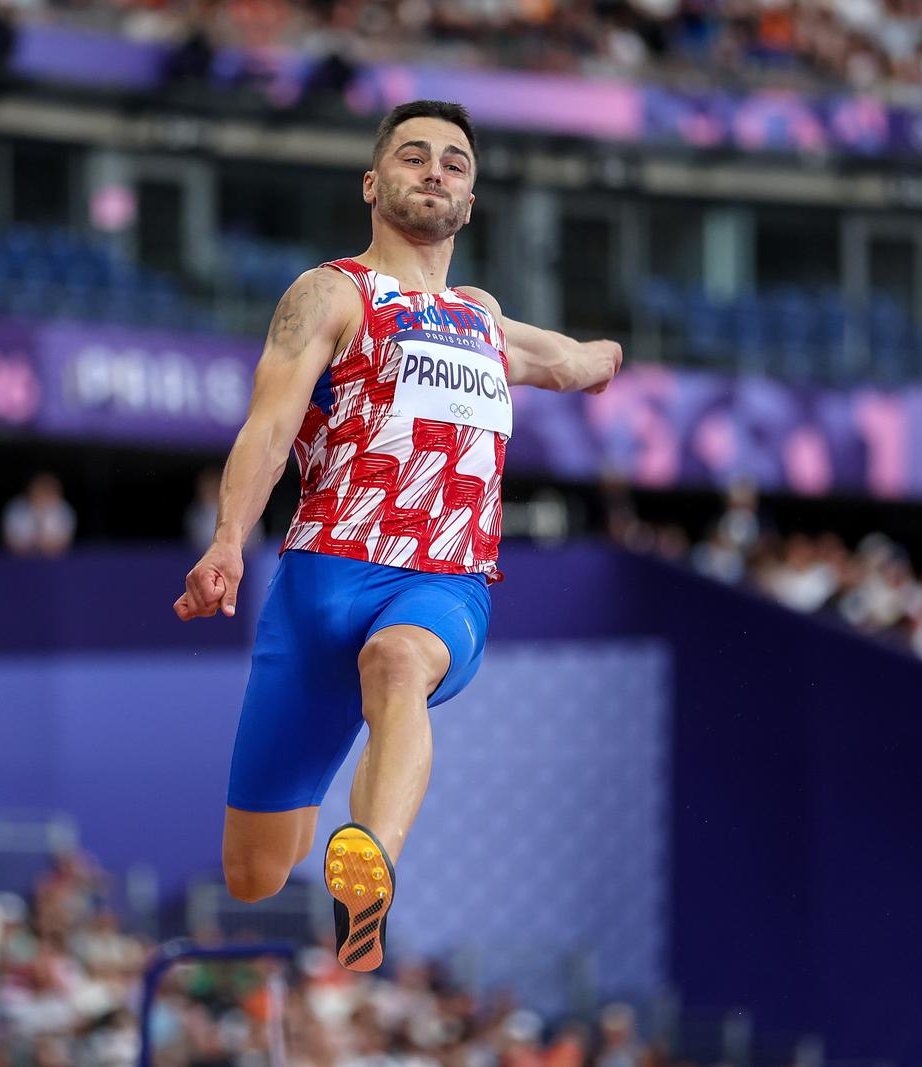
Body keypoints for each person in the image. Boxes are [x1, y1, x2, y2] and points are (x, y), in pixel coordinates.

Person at [173, 100, 621, 972]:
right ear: (375, 184)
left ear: (472, 199)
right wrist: (229, 539)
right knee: (256, 870)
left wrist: (606, 359)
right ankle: (311, 828)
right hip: (319, 585)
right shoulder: (332, 293)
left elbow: (563, 360)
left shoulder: (483, 318)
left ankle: (367, 869)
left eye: (455, 163)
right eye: (414, 157)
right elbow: (267, 429)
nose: (436, 171)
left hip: (439, 581)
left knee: (399, 664)